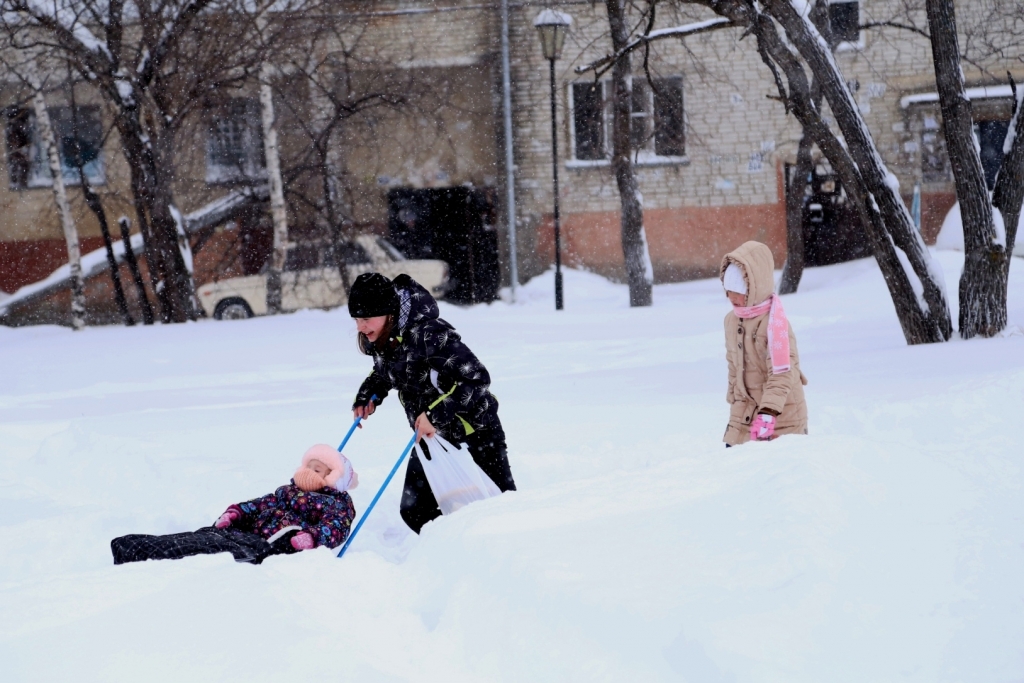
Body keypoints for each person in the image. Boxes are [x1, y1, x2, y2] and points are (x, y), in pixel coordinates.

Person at [348, 272, 515, 533]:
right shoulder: (383, 338)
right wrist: (368, 395)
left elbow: (476, 379)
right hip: (433, 438)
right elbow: (388, 371)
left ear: (389, 313)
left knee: (500, 510)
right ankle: (453, 558)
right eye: (357, 319)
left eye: (366, 318)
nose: (360, 326)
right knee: (416, 511)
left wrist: (433, 415)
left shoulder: (430, 334)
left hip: (477, 433)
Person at [110, 445, 357, 565]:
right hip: (242, 533)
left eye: (318, 469)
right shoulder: (287, 491)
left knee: (205, 551)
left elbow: (335, 528)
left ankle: (138, 552)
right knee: (201, 537)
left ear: (332, 479)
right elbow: (260, 505)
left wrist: (310, 538)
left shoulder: (335, 504)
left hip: (266, 545)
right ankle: (130, 546)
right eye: (307, 466)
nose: (308, 472)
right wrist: (236, 512)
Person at [720, 241, 808, 446]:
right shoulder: (731, 321)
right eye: (728, 289)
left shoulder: (775, 324)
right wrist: (735, 415)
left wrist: (768, 413)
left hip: (782, 418)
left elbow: (782, 373)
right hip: (745, 417)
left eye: (738, 290)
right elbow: (734, 369)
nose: (731, 296)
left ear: (754, 288)